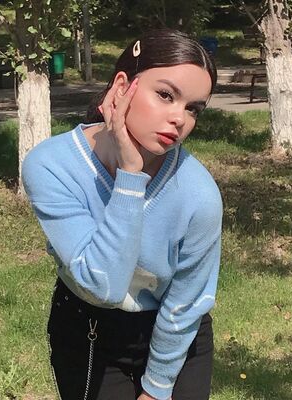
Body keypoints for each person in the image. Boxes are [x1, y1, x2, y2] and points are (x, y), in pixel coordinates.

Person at [22, 28, 222, 400]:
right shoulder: (52, 165)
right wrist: (131, 177)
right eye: (166, 95)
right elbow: (102, 287)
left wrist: (157, 387)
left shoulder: (199, 194)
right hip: (89, 330)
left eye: (193, 108)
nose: (179, 119)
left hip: (177, 331)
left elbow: (186, 301)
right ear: (121, 87)